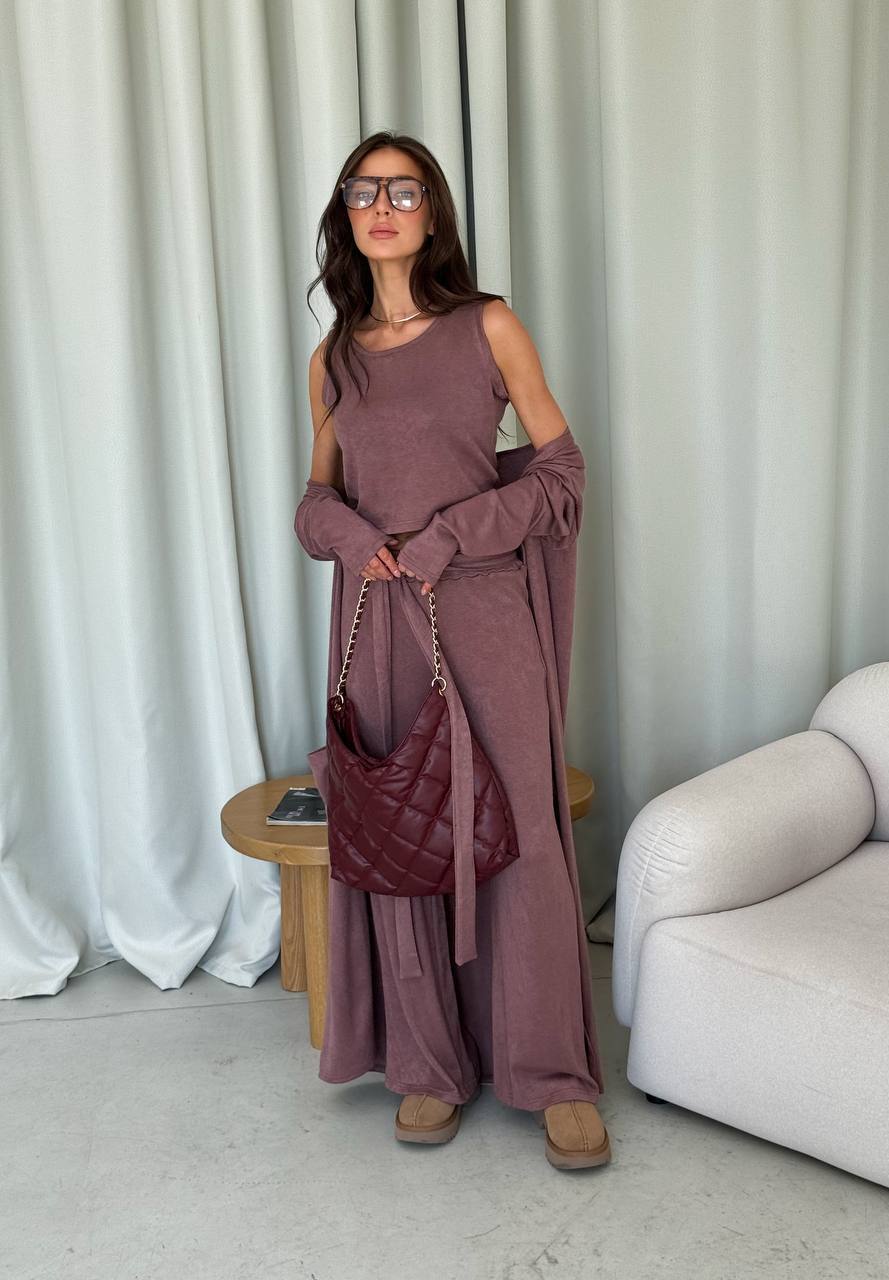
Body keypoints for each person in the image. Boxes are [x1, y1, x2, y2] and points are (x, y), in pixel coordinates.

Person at [294, 131, 610, 1170]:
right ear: (346, 213)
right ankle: (427, 1063)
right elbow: (315, 500)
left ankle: (551, 1073)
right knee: (401, 832)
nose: (383, 205)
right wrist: (355, 539)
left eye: (404, 190)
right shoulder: (333, 360)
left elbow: (561, 472)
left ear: (432, 212)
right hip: (376, 621)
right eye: (364, 190)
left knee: (520, 831)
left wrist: (449, 534)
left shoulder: (489, 325)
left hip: (480, 611)